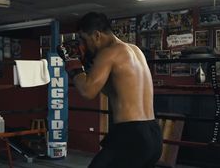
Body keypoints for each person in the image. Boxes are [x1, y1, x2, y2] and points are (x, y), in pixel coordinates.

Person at [57, 12, 162, 168]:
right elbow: (113, 91)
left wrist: (73, 63)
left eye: (85, 39)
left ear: (97, 35)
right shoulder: (135, 50)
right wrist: (88, 68)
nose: (84, 45)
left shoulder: (109, 53)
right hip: (152, 133)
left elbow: (87, 91)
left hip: (130, 135)